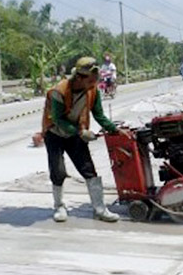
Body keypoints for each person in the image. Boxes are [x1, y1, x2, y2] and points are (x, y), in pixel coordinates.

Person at [41, 56, 129, 223]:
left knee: (88, 169)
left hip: (76, 132)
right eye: (91, 80)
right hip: (55, 134)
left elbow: (99, 115)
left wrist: (114, 129)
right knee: (57, 171)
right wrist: (80, 133)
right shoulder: (59, 91)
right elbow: (58, 119)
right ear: (79, 78)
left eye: (96, 80)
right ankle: (59, 206)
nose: (94, 83)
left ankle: (99, 208)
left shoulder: (92, 90)